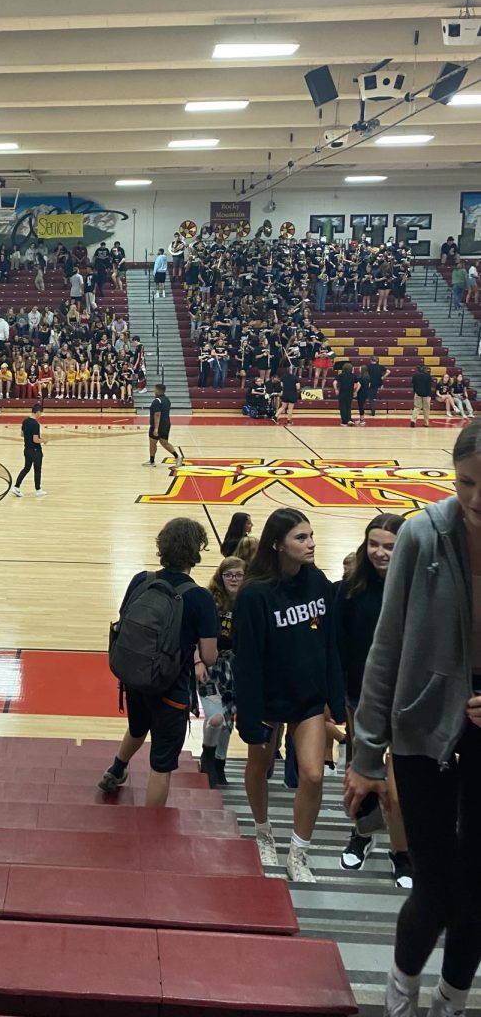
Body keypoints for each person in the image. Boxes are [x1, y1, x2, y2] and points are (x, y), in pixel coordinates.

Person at [345, 421, 481, 1017]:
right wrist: (366, 755)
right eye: (467, 483)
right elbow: (386, 646)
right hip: (422, 730)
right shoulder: (423, 535)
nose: (476, 500)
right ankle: (401, 989)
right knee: (433, 884)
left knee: (477, 893)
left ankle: (452, 1000)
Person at [233, 507, 345, 882]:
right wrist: (248, 716)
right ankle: (263, 830)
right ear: (278, 544)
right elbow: (246, 661)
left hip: (308, 698)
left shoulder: (318, 582)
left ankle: (298, 852)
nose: (311, 543)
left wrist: (336, 697)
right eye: (301, 537)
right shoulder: (254, 595)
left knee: (313, 775)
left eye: (311, 535)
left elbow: (331, 644)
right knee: (259, 767)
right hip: (267, 698)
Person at [98, 518, 218, 807]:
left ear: (162, 547)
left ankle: (116, 769)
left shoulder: (141, 579)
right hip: (171, 690)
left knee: (138, 726)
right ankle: (150, 834)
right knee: (161, 766)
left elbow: (126, 620)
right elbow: (210, 656)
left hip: (135, 676)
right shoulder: (201, 598)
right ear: (197, 552)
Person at [334, 514, 411, 887]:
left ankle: (402, 852)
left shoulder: (418, 586)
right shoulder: (349, 590)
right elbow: (339, 645)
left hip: (408, 698)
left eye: (389, 546)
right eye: (373, 544)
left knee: (401, 783)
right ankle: (362, 835)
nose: (380, 553)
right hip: (360, 695)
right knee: (362, 772)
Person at [199, 555, 244, 787]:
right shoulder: (210, 600)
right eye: (229, 575)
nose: (233, 579)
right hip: (211, 665)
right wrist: (197, 662)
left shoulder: (248, 601)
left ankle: (219, 763)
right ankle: (207, 756)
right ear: (221, 576)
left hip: (235, 667)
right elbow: (194, 634)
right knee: (216, 717)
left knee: (228, 721)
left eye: (238, 575)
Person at [12, 402, 45, 497]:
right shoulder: (35, 424)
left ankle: (16, 487)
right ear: (38, 412)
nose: (40, 415)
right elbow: (35, 439)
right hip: (35, 450)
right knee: (37, 470)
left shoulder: (25, 421)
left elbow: (22, 434)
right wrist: (43, 441)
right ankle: (38, 490)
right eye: (41, 413)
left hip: (27, 449)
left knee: (26, 468)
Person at [145, 383, 182, 466]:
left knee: (152, 442)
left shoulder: (157, 401)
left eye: (155, 389)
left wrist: (156, 428)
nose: (154, 391)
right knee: (164, 442)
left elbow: (157, 414)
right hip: (166, 424)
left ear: (158, 390)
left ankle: (152, 461)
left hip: (158, 425)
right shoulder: (167, 400)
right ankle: (177, 456)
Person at [333, 361, 359, 427]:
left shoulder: (341, 375)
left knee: (343, 407)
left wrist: (336, 389)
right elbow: (357, 384)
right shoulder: (353, 376)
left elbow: (334, 382)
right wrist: (355, 391)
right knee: (348, 407)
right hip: (350, 393)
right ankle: (349, 419)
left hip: (342, 393)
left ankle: (344, 422)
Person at [410, 364, 433, 428]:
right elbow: (429, 386)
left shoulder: (415, 376)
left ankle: (413, 420)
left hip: (418, 393)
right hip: (426, 394)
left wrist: (415, 392)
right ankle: (426, 423)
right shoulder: (428, 376)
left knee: (417, 408)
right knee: (426, 409)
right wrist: (429, 395)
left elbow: (414, 386)